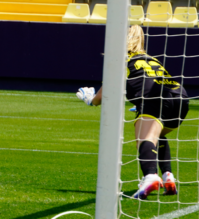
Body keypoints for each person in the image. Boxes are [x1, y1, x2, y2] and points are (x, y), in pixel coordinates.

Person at [76, 25, 187, 200]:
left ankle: (150, 176)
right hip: (180, 98)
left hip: (153, 98)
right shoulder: (150, 58)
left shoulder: (120, 59)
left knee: (145, 141)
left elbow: (102, 96)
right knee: (156, 135)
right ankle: (168, 177)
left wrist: (90, 99)